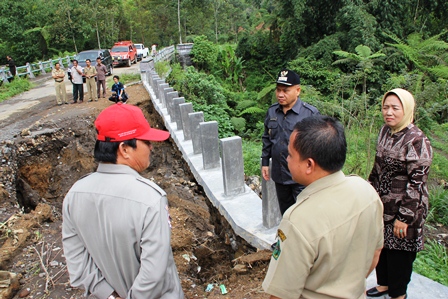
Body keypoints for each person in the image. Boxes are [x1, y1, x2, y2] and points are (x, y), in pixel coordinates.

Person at [62, 103, 184, 299]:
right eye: (146, 141)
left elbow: (77, 262)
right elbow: (154, 274)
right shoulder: (150, 198)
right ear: (125, 149)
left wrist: (109, 295)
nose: (151, 147)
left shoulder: (74, 194)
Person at [262, 115, 384, 299]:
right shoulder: (367, 192)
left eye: (290, 155)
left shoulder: (298, 220)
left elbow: (281, 294)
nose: (287, 160)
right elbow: (376, 253)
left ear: (309, 165)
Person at [366, 89, 433, 299]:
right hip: (383, 204)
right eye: (386, 107)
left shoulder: (417, 141)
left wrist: (403, 217)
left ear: (407, 110)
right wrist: (369, 193)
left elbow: (417, 183)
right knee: (382, 246)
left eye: (395, 108)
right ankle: (384, 284)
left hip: (407, 209)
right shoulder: (385, 131)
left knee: (399, 255)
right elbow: (377, 168)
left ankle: (398, 294)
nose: (389, 112)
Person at [261, 69, 319, 215]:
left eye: (286, 90)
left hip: (302, 177)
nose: (280, 94)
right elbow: (267, 137)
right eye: (278, 90)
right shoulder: (272, 112)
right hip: (280, 175)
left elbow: (318, 147)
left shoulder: (310, 114)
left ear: (297, 90)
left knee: (304, 215)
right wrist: (265, 162)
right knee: (286, 214)